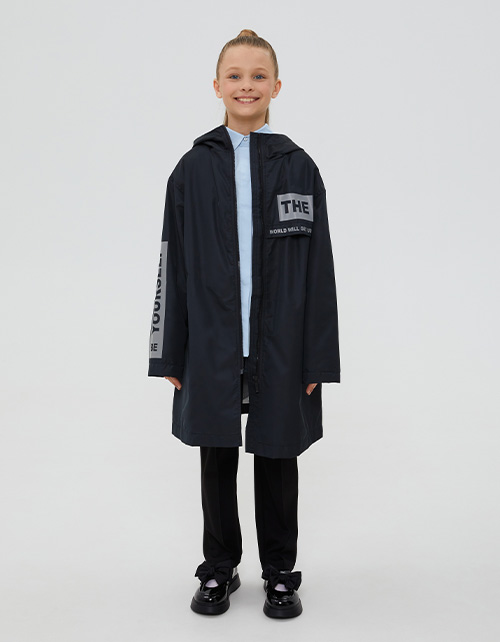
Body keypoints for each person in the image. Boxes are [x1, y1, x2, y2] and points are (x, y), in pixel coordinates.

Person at [148, 29, 341, 619]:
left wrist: (318, 358)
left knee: (278, 454)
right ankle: (220, 566)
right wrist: (169, 353)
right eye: (235, 76)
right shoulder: (192, 169)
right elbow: (172, 262)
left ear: (276, 87)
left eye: (259, 76)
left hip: (282, 342)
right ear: (216, 86)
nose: (246, 85)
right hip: (212, 341)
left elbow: (320, 268)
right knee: (216, 451)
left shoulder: (298, 167)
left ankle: (280, 572)